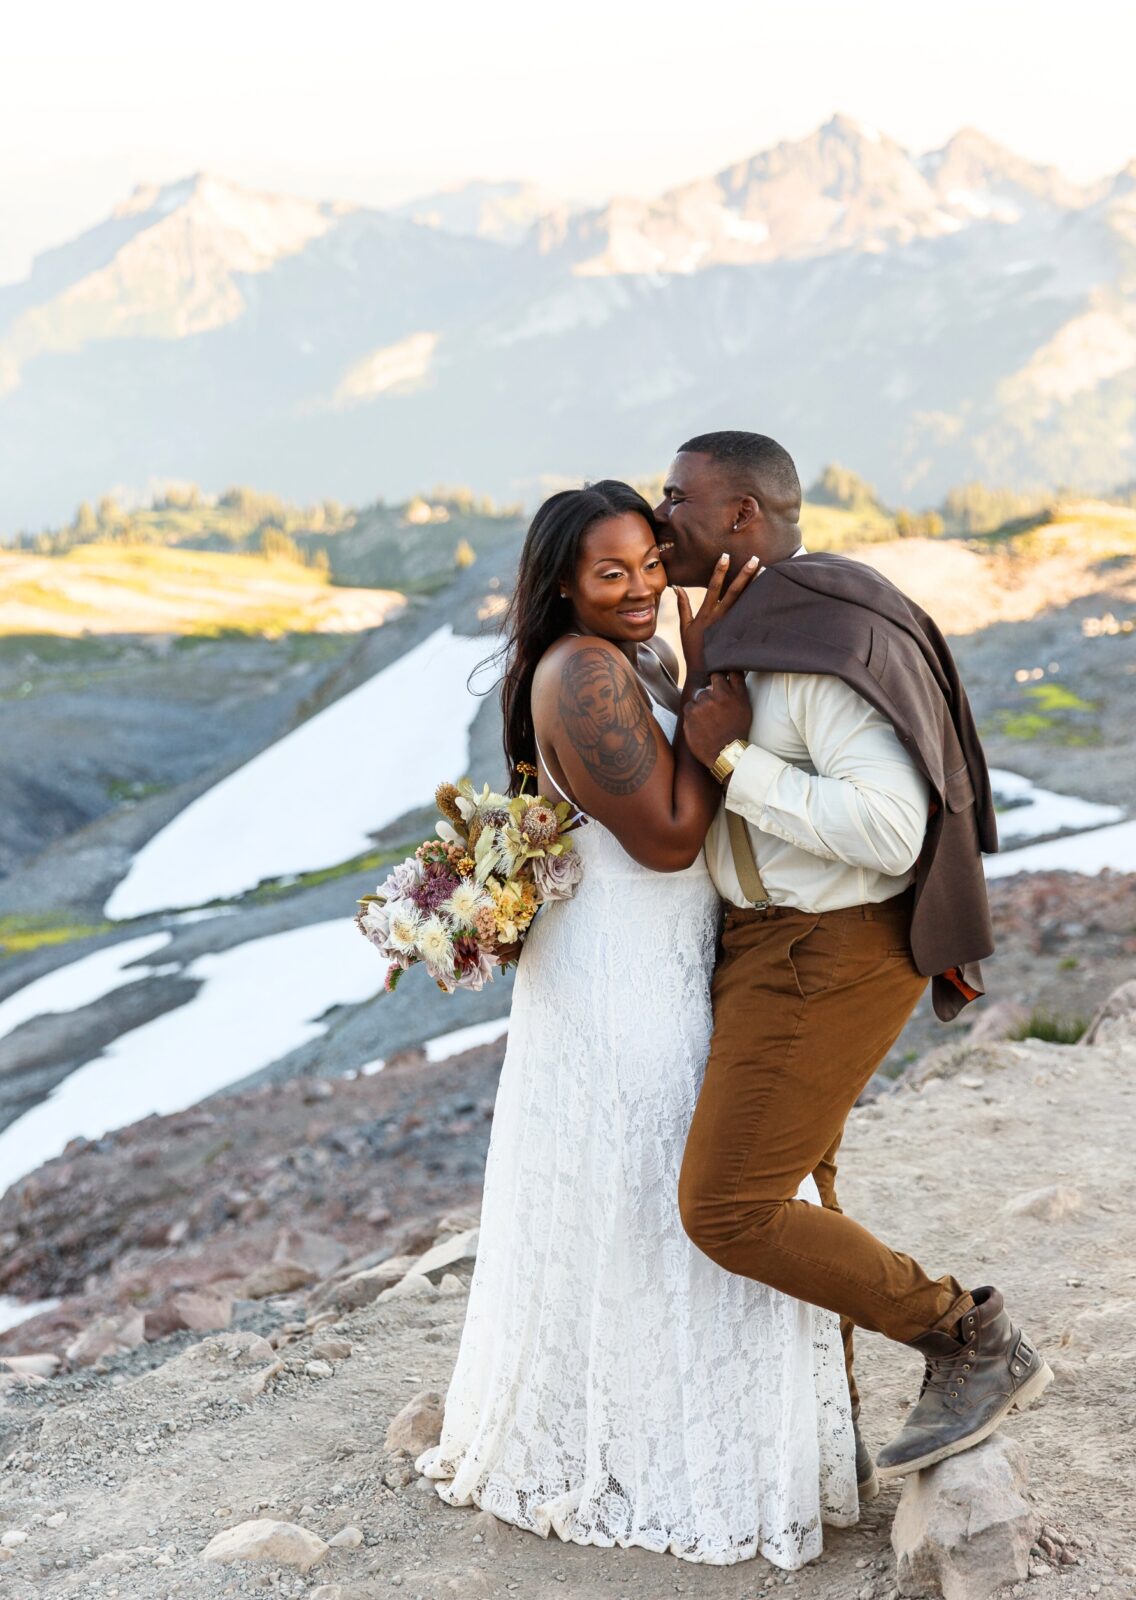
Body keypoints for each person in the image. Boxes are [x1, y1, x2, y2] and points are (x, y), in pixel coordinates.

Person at [418, 480, 859, 1571]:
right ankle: (641, 1457)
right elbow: (665, 838)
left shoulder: (640, 664)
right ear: (563, 583)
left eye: (649, 566)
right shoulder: (579, 675)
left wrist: (697, 677)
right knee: (656, 1195)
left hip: (662, 965)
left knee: (662, 1197)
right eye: (609, 573)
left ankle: (672, 1436)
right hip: (618, 983)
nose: (639, 589)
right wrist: (721, 712)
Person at [657, 431, 1052, 1482]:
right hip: (771, 946)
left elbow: (890, 828)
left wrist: (732, 757)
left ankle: (963, 1334)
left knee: (729, 1208)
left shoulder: (812, 643)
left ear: (742, 514)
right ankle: (819, 1442)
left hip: (826, 951)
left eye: (677, 498)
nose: (660, 519)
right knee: (798, 1200)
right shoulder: (750, 632)